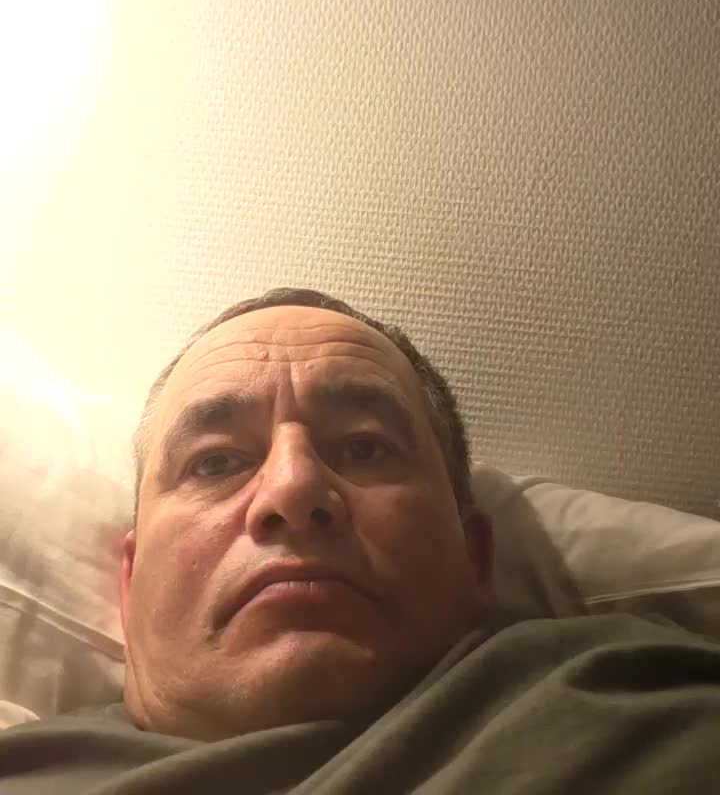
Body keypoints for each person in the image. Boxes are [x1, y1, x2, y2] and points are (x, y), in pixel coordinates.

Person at [1, 286, 719, 793]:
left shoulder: (641, 702)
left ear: (475, 556)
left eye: (366, 448)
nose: (293, 489)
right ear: (130, 587)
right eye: (215, 462)